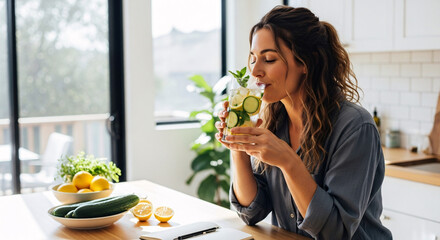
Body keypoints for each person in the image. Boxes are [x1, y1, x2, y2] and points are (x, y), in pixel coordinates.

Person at [215, 5, 392, 240]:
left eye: (269, 59)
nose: (255, 71)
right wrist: (239, 147)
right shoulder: (273, 121)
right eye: (253, 59)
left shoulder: (355, 127)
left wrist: (288, 161)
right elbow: (252, 211)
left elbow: (334, 232)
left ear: (305, 63)